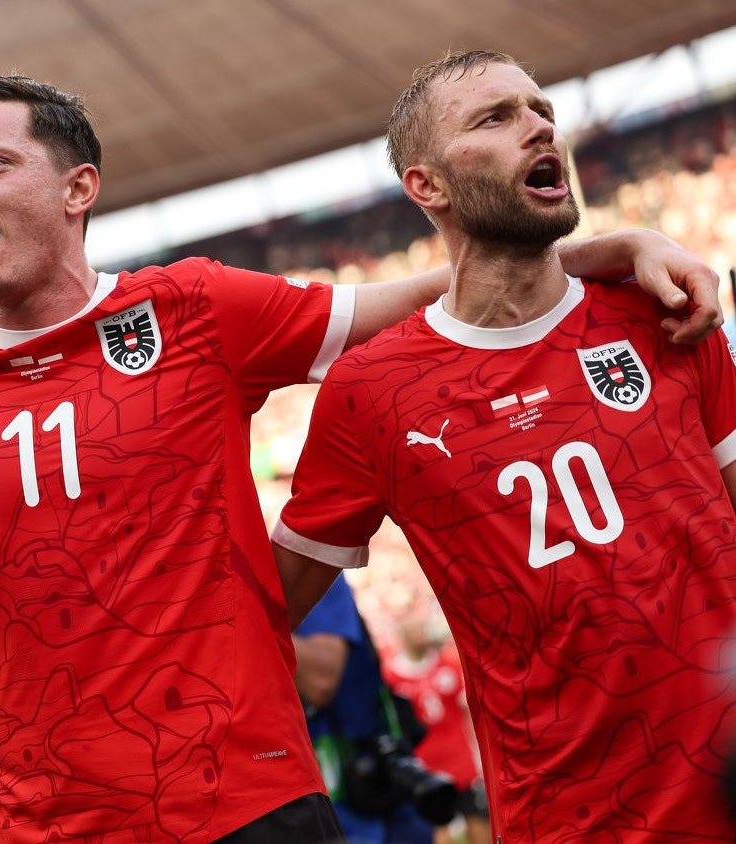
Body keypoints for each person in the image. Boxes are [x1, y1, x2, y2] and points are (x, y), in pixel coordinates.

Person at [0, 76, 721, 842]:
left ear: (77, 188)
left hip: (253, 804)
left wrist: (611, 245)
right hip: (61, 825)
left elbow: (404, 306)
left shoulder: (198, 311)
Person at [273, 50, 736, 842]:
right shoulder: (371, 392)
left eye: (539, 110)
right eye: (495, 117)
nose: (538, 126)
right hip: (574, 819)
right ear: (428, 186)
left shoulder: (662, 310)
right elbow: (265, 605)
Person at [293, 577, 437, 844]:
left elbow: (321, 681)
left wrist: (247, 618)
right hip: (329, 799)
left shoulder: (309, 568)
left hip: (365, 795)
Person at [383, 618, 490, 844]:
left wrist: (479, 751)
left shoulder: (448, 665)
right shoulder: (392, 676)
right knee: (438, 829)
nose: (423, 633)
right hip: (425, 765)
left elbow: (467, 710)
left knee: (479, 822)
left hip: (461, 761)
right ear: (404, 637)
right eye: (417, 629)